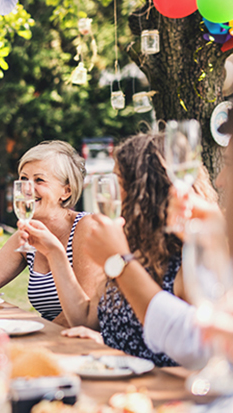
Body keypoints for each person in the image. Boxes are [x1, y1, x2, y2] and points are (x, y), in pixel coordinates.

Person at [60, 133, 217, 367]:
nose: (111, 194)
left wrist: (118, 260)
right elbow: (88, 319)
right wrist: (55, 252)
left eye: (118, 181)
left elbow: (202, 349)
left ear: (142, 189)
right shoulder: (130, 246)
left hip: (164, 396)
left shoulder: (189, 256)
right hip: (115, 384)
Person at [0, 140, 104, 326]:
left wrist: (36, 330)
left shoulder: (86, 227)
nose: (27, 189)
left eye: (39, 180)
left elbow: (87, 314)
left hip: (84, 343)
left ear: (66, 191)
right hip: (52, 338)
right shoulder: (28, 233)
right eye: (23, 179)